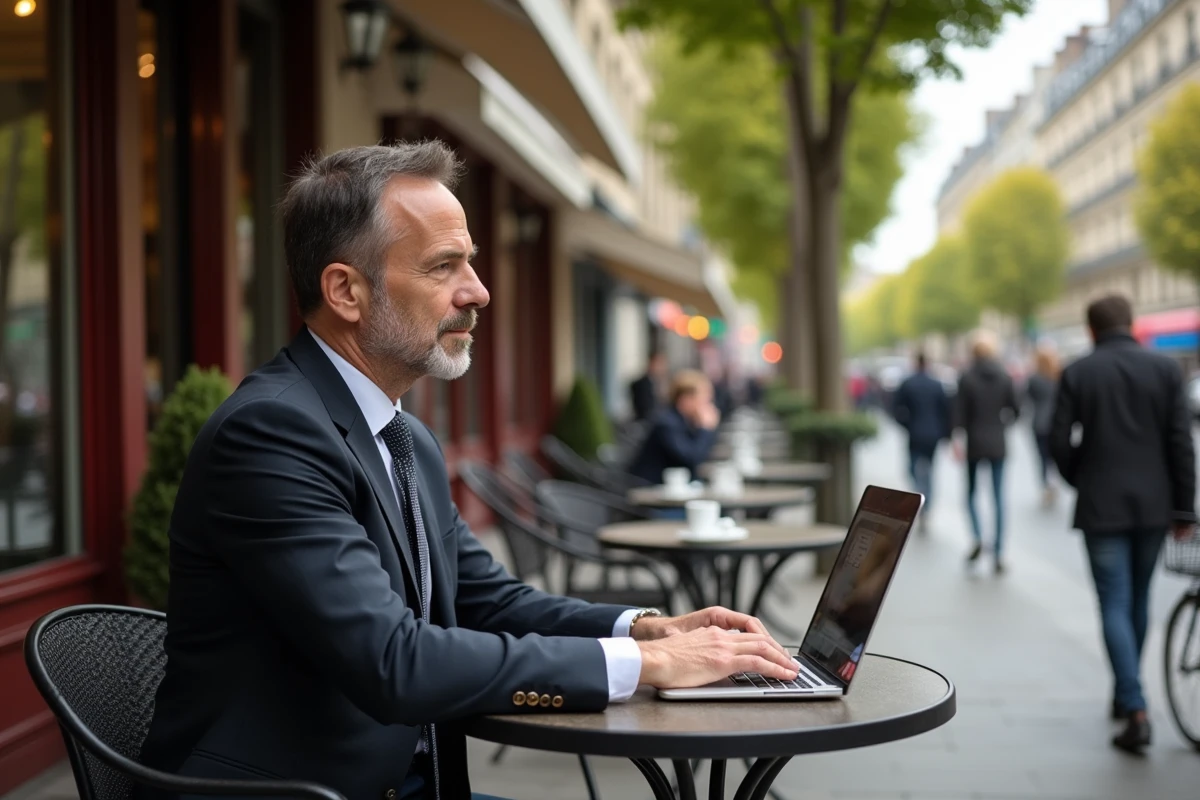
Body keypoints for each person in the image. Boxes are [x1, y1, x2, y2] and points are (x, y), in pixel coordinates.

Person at [135, 143, 799, 800]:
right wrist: (648, 665)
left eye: (471, 263)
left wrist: (643, 628)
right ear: (346, 291)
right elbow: (394, 661)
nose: (477, 291)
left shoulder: (405, 437)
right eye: (443, 267)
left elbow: (490, 602)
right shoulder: (271, 435)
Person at [1049, 294, 1196, 754]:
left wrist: (1081, 475)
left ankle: (1133, 703)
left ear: (1091, 330)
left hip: (1101, 504)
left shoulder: (1078, 372)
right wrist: (1184, 507)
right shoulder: (1166, 370)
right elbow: (1180, 443)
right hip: (1154, 506)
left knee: (1113, 599)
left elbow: (1055, 439)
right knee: (1138, 597)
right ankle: (1127, 690)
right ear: (1132, 324)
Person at [953, 331, 1019, 572]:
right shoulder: (1004, 376)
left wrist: (956, 440)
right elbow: (1016, 409)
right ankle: (999, 551)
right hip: (998, 441)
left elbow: (958, 413)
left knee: (970, 493)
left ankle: (978, 537)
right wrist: (1002, 425)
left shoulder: (967, 377)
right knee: (998, 497)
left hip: (974, 442)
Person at [627, 369, 722, 487]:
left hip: (667, 490)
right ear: (686, 399)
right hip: (650, 492)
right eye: (704, 399)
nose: (708, 405)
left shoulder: (683, 421)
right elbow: (691, 459)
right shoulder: (667, 423)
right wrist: (705, 428)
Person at [891, 352, 951, 531]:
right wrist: (945, 433)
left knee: (912, 469)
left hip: (915, 434)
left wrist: (906, 425)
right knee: (930, 471)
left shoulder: (908, 383)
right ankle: (927, 503)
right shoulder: (937, 384)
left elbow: (895, 408)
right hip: (933, 435)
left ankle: (920, 499)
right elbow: (946, 411)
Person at [1025, 345, 1060, 508]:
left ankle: (1046, 485)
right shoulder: (1057, 376)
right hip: (1056, 422)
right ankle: (1054, 483)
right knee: (1054, 456)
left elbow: (1027, 398)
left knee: (1042, 458)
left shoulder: (1034, 379)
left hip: (1039, 422)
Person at [629, 350, 667, 421]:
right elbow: (644, 408)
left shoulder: (661, 383)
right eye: (658, 363)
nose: (661, 368)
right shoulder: (641, 384)